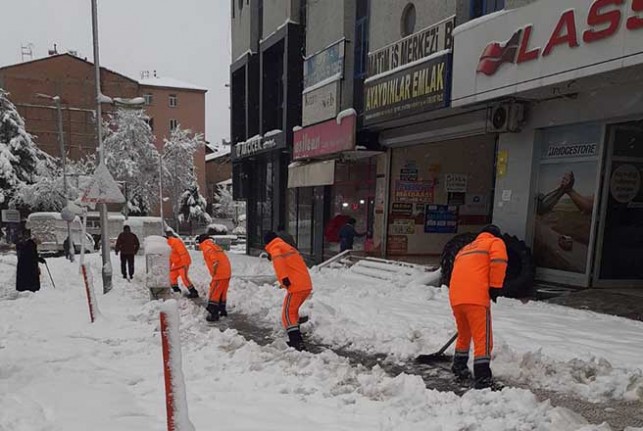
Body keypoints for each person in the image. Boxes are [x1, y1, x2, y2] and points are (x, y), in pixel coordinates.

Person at [448, 224, 508, 390]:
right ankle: (482, 377)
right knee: (483, 338)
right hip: (476, 298)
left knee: (464, 334)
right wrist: (495, 287)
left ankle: (459, 366)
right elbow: (499, 261)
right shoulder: (494, 242)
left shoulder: (466, 248)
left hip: (456, 297)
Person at [264, 231, 313, 351]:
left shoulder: (275, 248)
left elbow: (279, 265)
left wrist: (284, 279)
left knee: (287, 313)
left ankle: (296, 342)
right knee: (293, 311)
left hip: (295, 286)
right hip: (305, 284)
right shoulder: (286, 246)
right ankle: (297, 339)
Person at [198, 234, 232, 322]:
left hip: (219, 274)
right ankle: (222, 310)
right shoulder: (214, 245)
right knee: (222, 292)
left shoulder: (206, 247)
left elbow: (215, 261)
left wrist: (214, 273)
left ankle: (213, 314)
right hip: (227, 272)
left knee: (214, 293)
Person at [166, 231, 199, 298]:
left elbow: (183, 253)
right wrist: (168, 268)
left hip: (184, 262)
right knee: (172, 276)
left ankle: (193, 292)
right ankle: (176, 290)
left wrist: (184, 264)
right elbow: (170, 258)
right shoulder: (167, 246)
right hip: (177, 263)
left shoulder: (176, 242)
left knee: (184, 277)